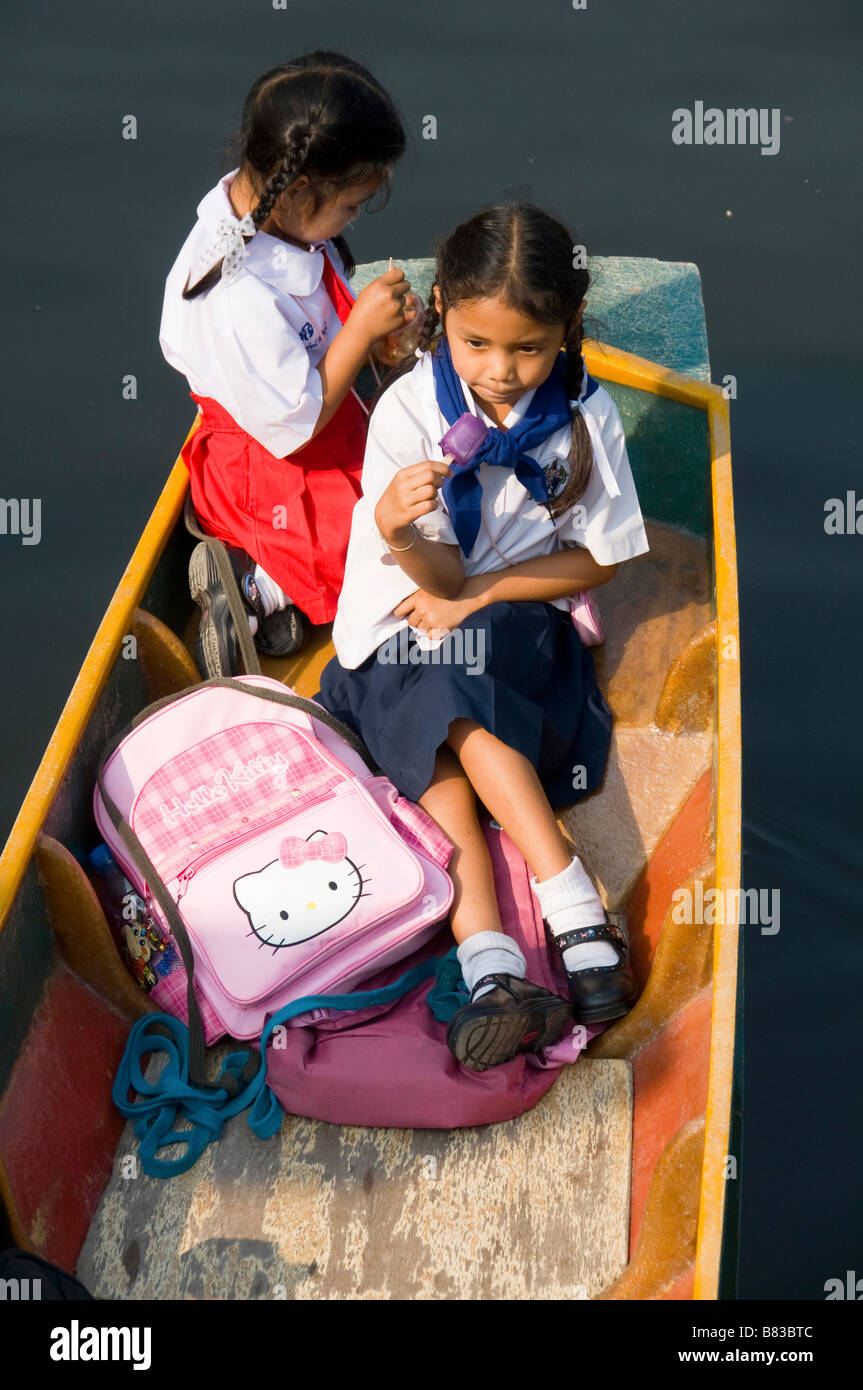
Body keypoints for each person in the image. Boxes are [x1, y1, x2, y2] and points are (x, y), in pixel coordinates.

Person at [317, 203, 651, 1072]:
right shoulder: (404, 416)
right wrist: (394, 529)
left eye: (526, 348)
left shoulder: (584, 416)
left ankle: (523, 934)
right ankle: (540, 933)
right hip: (403, 617)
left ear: (564, 331)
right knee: (437, 713)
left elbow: (599, 560)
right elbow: (427, 586)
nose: (500, 371)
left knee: (453, 689)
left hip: (510, 619)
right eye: (476, 345)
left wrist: (483, 596)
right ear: (443, 317)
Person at [159, 52, 415, 676]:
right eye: (352, 206)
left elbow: (313, 324)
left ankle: (284, 600)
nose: (354, 219)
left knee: (411, 497)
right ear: (299, 190)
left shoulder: (269, 211)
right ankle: (255, 586)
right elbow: (296, 423)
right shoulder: (240, 297)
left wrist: (371, 337)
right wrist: (357, 332)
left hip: (307, 421)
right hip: (268, 461)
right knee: (387, 546)